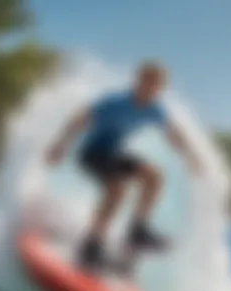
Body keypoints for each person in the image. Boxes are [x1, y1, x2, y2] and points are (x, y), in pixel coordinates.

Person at [47, 61, 203, 272]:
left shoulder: (155, 110)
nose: (152, 88)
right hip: (92, 154)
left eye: (157, 85)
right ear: (138, 81)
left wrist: (191, 157)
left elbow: (174, 134)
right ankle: (91, 245)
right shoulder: (114, 102)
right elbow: (79, 118)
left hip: (114, 155)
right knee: (117, 189)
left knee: (154, 176)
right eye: (148, 81)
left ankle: (137, 230)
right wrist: (60, 145)